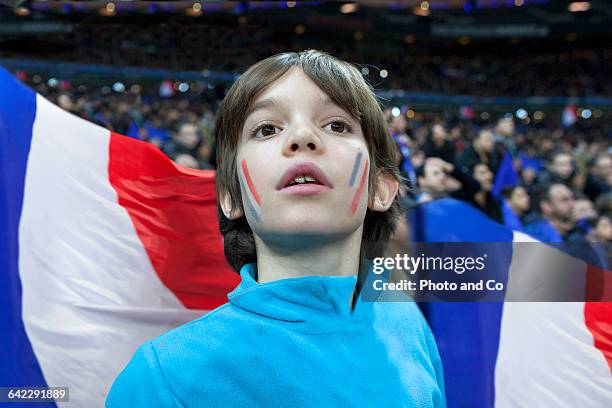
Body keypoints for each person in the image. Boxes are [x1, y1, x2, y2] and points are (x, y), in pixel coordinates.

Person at [106, 50, 445, 407]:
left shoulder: (408, 324)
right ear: (230, 197)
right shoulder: (162, 378)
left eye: (336, 125)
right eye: (266, 129)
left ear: (381, 188)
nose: (301, 137)